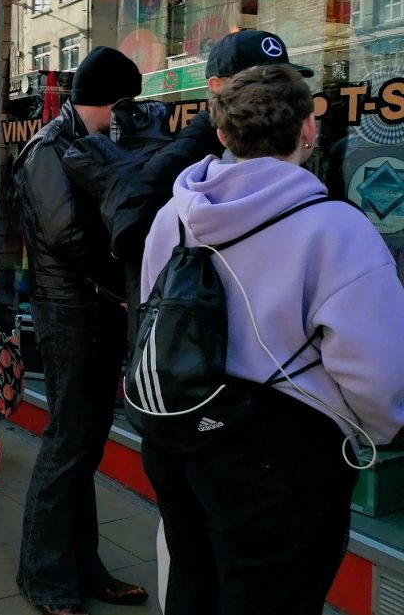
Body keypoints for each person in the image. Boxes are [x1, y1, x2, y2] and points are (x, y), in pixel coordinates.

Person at [140, 64, 404, 615]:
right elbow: (375, 371)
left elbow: (151, 313)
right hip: (282, 455)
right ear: (308, 130)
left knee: (193, 582)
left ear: (223, 133)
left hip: (179, 434)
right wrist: (372, 432)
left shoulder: (174, 216)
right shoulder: (337, 227)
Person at [12, 46, 150, 615]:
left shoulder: (84, 143)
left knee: (85, 445)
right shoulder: (50, 147)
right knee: (69, 443)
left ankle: (82, 565)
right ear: (115, 101)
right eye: (129, 103)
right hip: (71, 311)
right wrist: (128, 273)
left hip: (93, 308)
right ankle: (43, 575)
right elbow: (71, 235)